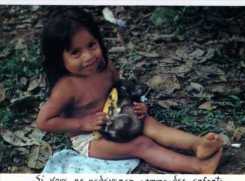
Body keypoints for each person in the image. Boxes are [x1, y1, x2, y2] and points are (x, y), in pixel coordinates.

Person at [37, 7, 223, 174]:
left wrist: (135, 104)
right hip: (91, 138)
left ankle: (198, 145)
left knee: (151, 124)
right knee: (141, 145)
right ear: (59, 59)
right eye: (75, 53)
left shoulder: (105, 66)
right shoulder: (66, 87)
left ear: (99, 41)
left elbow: (120, 89)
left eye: (91, 45)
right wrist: (82, 123)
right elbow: (44, 122)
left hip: (118, 115)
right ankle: (199, 167)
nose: (88, 57)